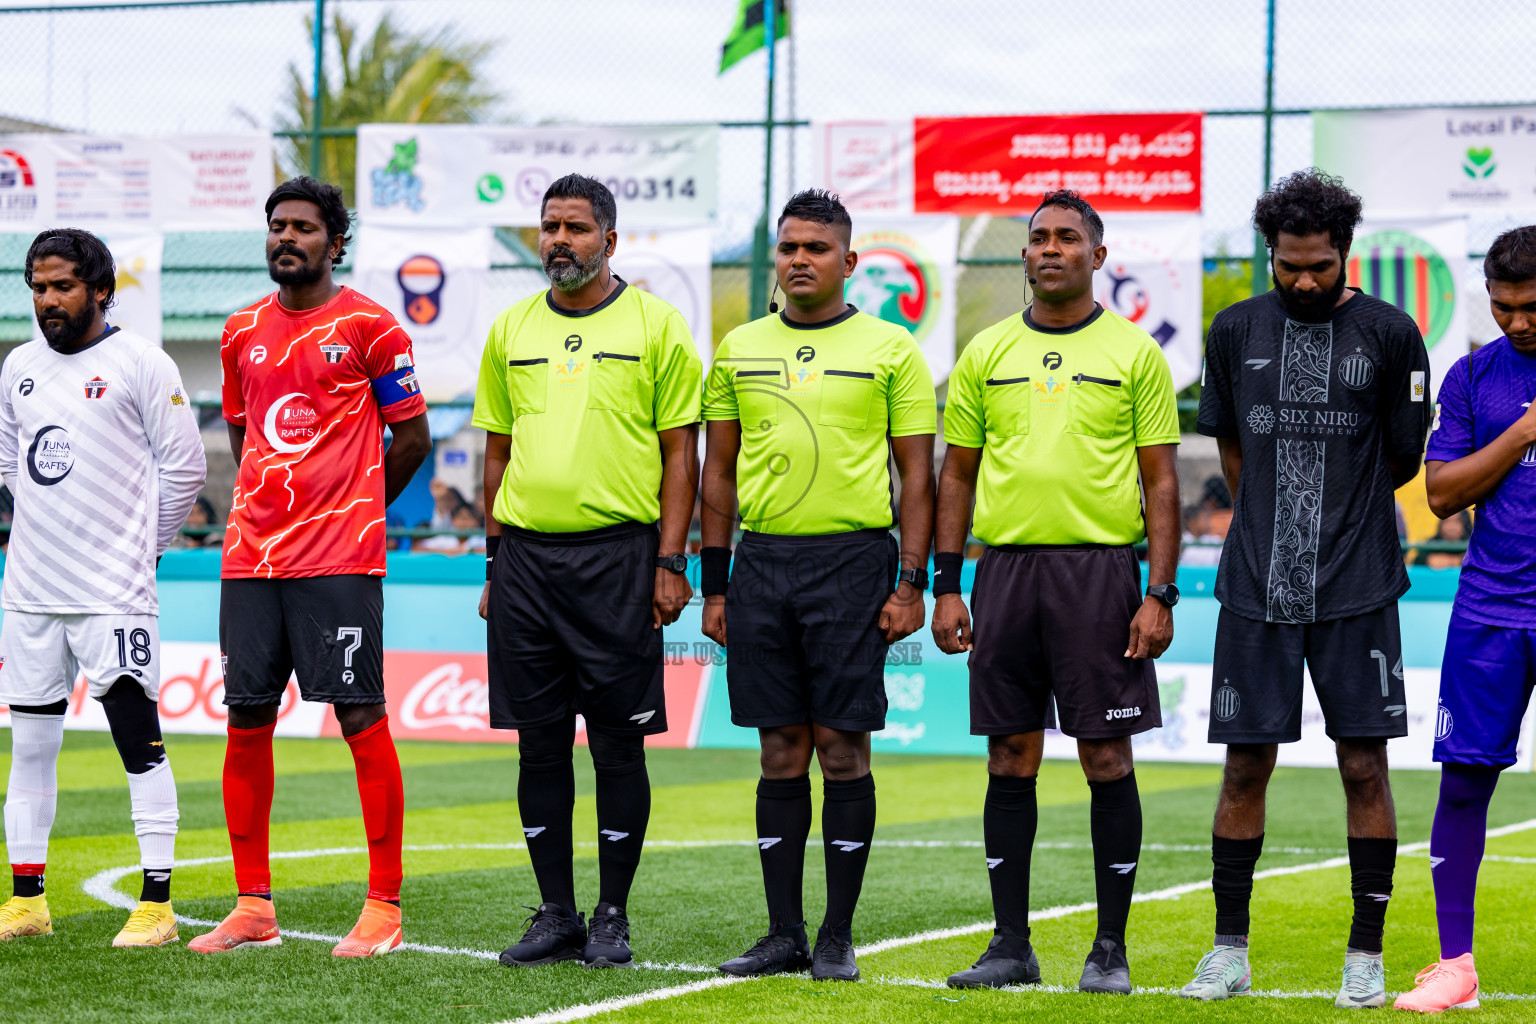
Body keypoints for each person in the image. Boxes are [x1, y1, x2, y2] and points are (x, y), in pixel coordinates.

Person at [1180, 170, 1432, 1008]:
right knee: (1244, 767)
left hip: (1359, 584)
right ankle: (1228, 954)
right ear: (1271, 256)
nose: (1303, 281)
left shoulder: (1391, 335)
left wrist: (1337, 515)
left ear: (1344, 254)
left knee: (1365, 765)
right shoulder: (1235, 329)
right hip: (1256, 586)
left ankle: (1365, 958)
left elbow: (1401, 460)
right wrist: (1273, 524)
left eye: (1319, 265)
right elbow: (1234, 456)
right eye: (1289, 265)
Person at [931, 189, 1181, 994]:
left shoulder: (1136, 353)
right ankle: (1010, 945)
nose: (1048, 248)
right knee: (1009, 753)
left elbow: (1162, 481)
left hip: (1100, 576)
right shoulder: (986, 351)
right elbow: (957, 474)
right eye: (1037, 237)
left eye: (1067, 238)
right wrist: (947, 583)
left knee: (1105, 756)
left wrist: (1161, 592)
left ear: (1098, 257)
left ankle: (1110, 947)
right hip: (1003, 574)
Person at [188, 177, 432, 958]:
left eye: (301, 226)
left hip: (339, 558)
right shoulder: (238, 332)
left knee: (359, 717)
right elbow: (241, 431)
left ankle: (384, 909)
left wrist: (355, 504)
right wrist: (273, 511)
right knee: (246, 718)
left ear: (334, 240)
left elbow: (414, 438)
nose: (284, 238)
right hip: (251, 559)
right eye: (275, 226)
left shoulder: (371, 326)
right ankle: (253, 906)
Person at [701, 189, 936, 982]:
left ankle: (836, 934)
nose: (800, 259)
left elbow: (916, 476)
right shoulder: (737, 348)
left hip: (854, 563)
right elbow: (718, 472)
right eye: (789, 247)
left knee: (841, 749)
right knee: (777, 750)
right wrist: (715, 583)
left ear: (848, 263)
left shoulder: (892, 350)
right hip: (762, 565)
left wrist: (911, 582)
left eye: (816, 248)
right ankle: (782, 933)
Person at [473, 174, 701, 970]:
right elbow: (495, 454)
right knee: (539, 746)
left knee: (616, 747)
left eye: (574, 227)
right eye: (548, 227)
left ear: (611, 238)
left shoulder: (657, 324)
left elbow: (683, 456)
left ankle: (611, 915)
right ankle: (557, 913)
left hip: (620, 560)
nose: (558, 240)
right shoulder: (511, 328)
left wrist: (672, 563)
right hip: (528, 562)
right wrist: (496, 562)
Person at [0, 228, 206, 946]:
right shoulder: (17, 367)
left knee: (136, 741)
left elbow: (184, 471)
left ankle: (156, 904)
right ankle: (26, 900)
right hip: (28, 592)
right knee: (28, 750)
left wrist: (135, 550)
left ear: (101, 290)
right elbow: (10, 466)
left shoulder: (142, 363)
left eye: (62, 286)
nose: (48, 300)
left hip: (112, 594)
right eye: (38, 286)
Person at [1393, 225, 1536, 1012]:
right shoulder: (1473, 375)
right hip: (1491, 607)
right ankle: (1457, 967)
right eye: (1504, 307)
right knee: (1464, 784)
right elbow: (1442, 494)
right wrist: (1521, 432)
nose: (1518, 322)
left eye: (1533, 307)